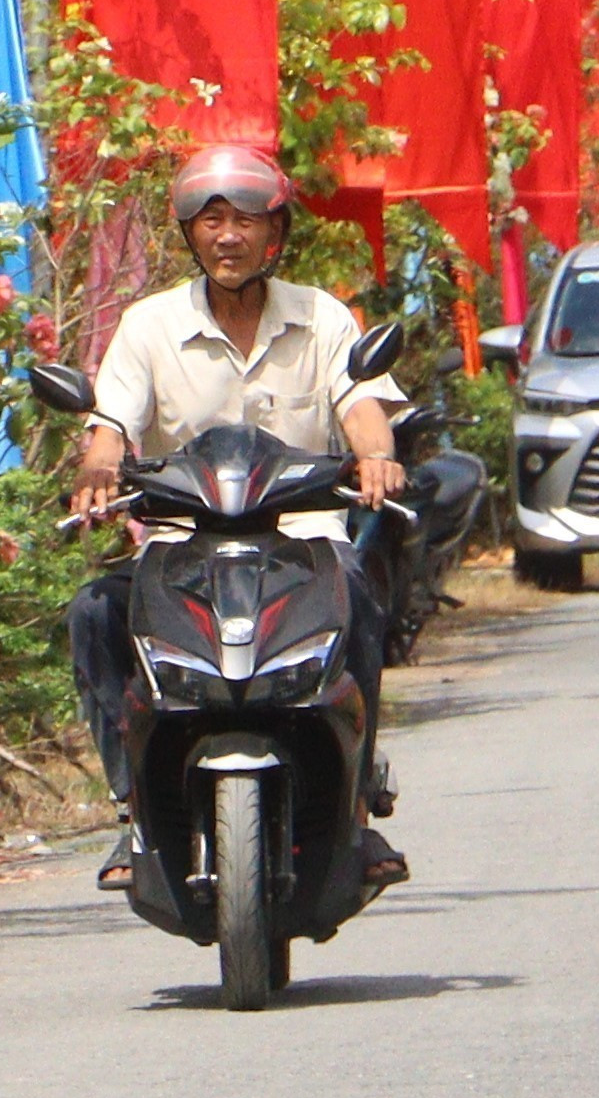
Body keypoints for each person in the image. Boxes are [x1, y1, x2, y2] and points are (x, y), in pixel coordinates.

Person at [60, 142, 407, 880]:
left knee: (366, 604)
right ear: (188, 232)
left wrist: (377, 456)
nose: (228, 235)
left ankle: (357, 798)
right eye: (210, 218)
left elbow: (362, 406)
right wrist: (97, 470)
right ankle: (133, 808)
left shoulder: (323, 318)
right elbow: (111, 425)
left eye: (246, 219)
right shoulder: (148, 326)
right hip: (182, 546)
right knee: (94, 613)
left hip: (303, 542)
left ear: (273, 233)